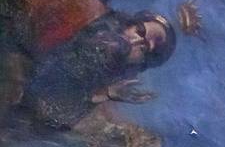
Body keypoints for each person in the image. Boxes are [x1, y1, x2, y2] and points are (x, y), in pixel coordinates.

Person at [21, 7, 175, 130]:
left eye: (144, 48)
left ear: (140, 63)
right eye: (140, 31)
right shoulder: (87, 19)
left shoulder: (103, 77)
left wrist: (104, 95)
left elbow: (49, 116)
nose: (134, 42)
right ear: (130, 25)